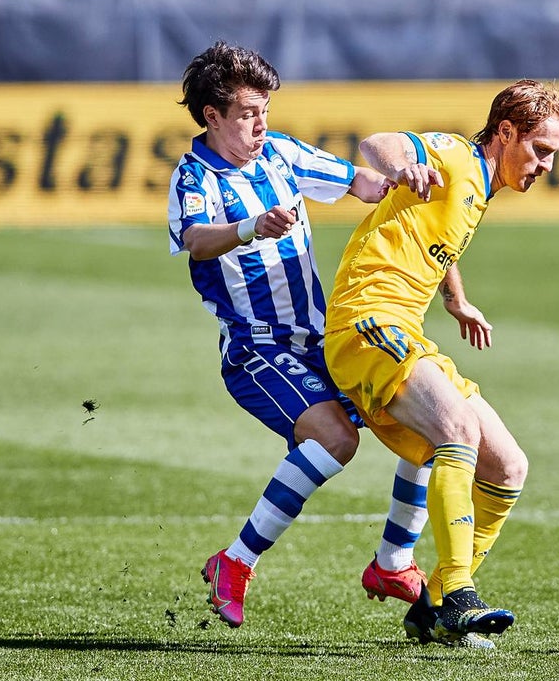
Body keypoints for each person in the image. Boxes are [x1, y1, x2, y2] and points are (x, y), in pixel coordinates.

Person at [167, 41, 430, 629]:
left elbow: (359, 182)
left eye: (265, 110)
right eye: (247, 114)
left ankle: (393, 561)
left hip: (322, 340)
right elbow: (194, 239)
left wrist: (397, 172)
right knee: (337, 438)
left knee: (429, 421)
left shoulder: (280, 152)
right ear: (212, 115)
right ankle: (234, 564)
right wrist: (250, 226)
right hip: (256, 349)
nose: (262, 124)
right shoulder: (194, 176)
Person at [323, 79, 559, 647]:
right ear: (505, 132)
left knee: (509, 466)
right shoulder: (459, 155)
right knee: (455, 429)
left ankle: (431, 606)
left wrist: (455, 299)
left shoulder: (480, 188)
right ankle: (458, 593)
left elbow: (438, 238)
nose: (546, 166)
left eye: (553, 155)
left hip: (402, 330)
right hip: (365, 321)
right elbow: (378, 143)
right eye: (540, 150)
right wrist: (403, 167)